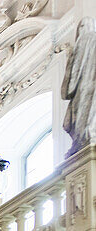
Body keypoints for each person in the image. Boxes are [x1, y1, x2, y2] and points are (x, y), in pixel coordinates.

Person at [63, 17, 96, 156]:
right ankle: (82, 139)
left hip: (88, 87)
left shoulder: (87, 40)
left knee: (85, 114)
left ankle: (84, 138)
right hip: (83, 89)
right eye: (81, 27)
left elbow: (71, 81)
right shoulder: (87, 41)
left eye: (84, 26)